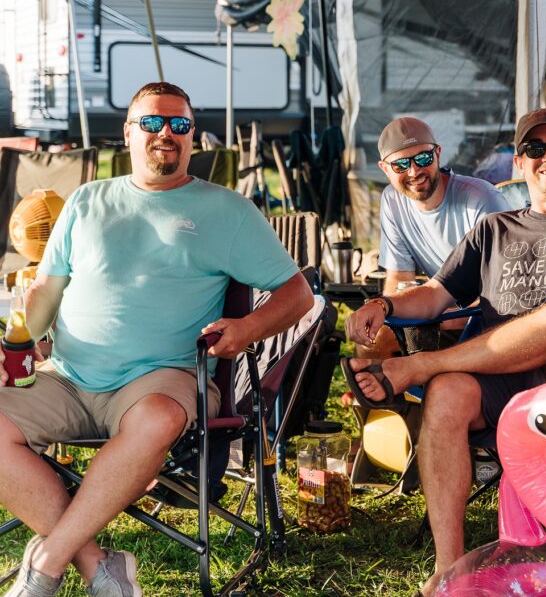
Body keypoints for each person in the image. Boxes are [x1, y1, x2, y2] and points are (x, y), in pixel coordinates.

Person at [343, 107, 546, 596]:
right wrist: (385, 301)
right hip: (497, 376)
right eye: (534, 149)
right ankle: (449, 569)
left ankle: (420, 365)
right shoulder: (493, 229)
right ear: (518, 163)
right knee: (448, 393)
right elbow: (436, 294)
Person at [0, 82, 313, 597]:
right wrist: (16, 337)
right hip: (68, 377)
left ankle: (46, 566)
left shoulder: (227, 210)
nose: (165, 133)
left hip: (161, 379)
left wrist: (249, 328)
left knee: (159, 418)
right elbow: (38, 317)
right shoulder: (84, 202)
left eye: (179, 125)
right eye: (151, 123)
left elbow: (298, 292)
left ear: (193, 138)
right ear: (128, 134)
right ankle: (97, 564)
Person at [376, 117, 509, 295]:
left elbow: (505, 288)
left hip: (490, 313)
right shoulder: (392, 201)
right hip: (440, 310)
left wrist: (440, 319)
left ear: (437, 154)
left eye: (423, 158)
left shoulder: (483, 200)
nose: (414, 171)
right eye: (400, 165)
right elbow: (400, 280)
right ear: (385, 169)